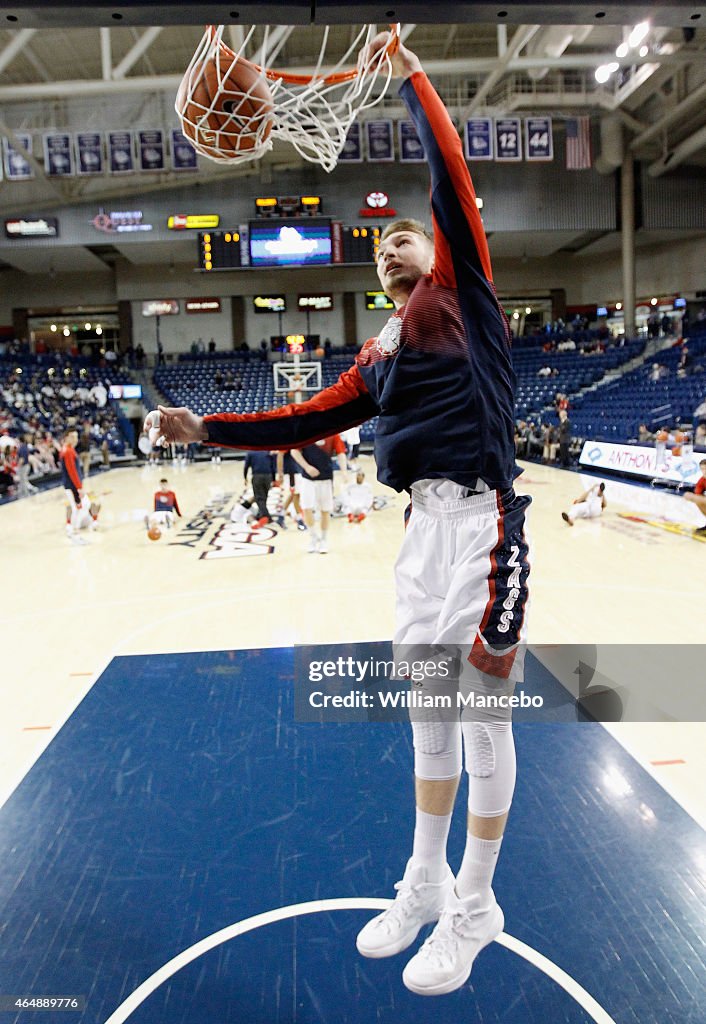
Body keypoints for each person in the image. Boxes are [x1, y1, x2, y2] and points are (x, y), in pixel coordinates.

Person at [148, 31, 530, 997]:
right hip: (421, 540)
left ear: (434, 247)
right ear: (377, 274)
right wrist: (206, 430)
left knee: (484, 719)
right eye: (387, 240)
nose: (397, 237)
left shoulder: (466, 294)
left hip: (486, 527)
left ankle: (476, 908)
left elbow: (446, 173)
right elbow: (301, 417)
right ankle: (422, 883)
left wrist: (407, 71)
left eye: (410, 231)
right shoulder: (384, 349)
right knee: (428, 722)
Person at [291, 435, 347, 553]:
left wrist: (344, 472)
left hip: (326, 479)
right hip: (308, 479)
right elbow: (294, 451)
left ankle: (324, 539)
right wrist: (306, 467)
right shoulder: (306, 432)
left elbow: (341, 453)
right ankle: (313, 537)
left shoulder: (333, 434)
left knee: (325, 510)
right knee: (307, 508)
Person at [59, 429, 84, 536]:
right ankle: (72, 530)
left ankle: (73, 528)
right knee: (75, 507)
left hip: (71, 484)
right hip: (71, 485)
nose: (75, 439)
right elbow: (72, 471)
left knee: (76, 507)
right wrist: (79, 487)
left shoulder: (69, 450)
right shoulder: (68, 451)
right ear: (67, 437)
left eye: (76, 437)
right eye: (73, 437)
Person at [243, 450, 275, 524]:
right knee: (264, 497)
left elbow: (246, 466)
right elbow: (272, 466)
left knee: (259, 498)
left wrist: (245, 478)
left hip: (257, 476)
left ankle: (266, 516)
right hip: (268, 476)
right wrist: (273, 479)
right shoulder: (267, 452)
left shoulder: (250, 453)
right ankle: (260, 514)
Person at [684, 459, 706, 536]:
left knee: (694, 498)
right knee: (696, 499)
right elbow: (697, 495)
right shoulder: (702, 480)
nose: (704, 471)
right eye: (702, 469)